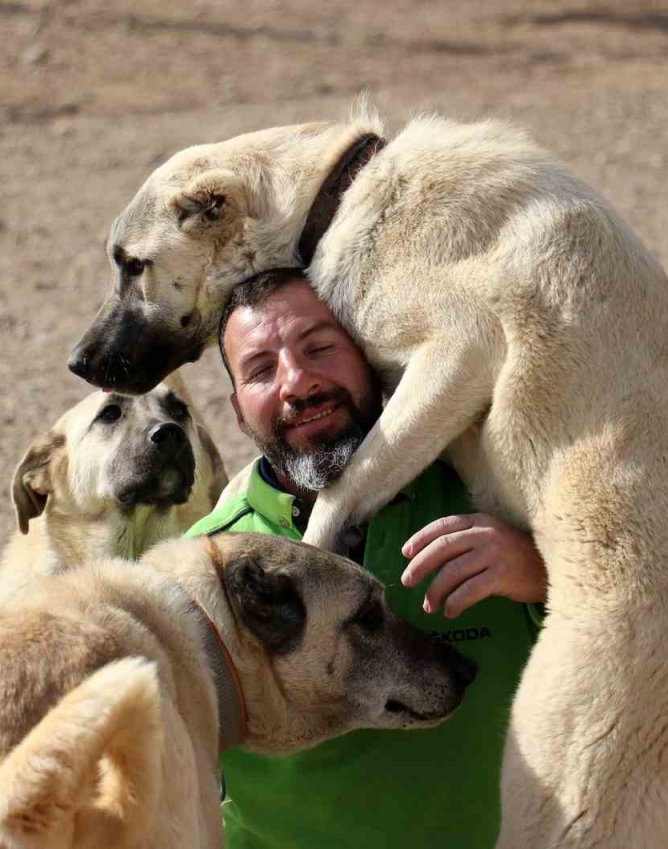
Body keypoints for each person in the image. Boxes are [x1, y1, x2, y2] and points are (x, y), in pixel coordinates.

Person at [186, 267, 548, 849]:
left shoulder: (492, 493)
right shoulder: (204, 567)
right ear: (236, 410)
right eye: (260, 370)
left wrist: (541, 571)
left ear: (372, 359)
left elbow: (659, 618)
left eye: (321, 348)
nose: (296, 382)